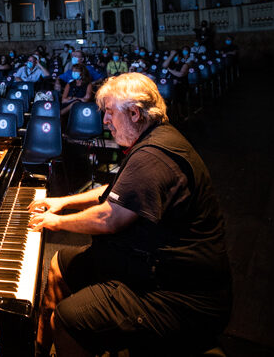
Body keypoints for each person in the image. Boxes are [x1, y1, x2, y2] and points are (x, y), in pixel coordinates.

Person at [29, 73, 231, 356]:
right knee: (58, 267)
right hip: (148, 262)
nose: (105, 121)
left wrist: (58, 222)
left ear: (134, 113)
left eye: (110, 112)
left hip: (178, 293)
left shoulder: (152, 157)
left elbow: (109, 218)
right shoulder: (152, 139)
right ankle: (39, 351)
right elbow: (115, 191)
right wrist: (62, 202)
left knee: (67, 319)